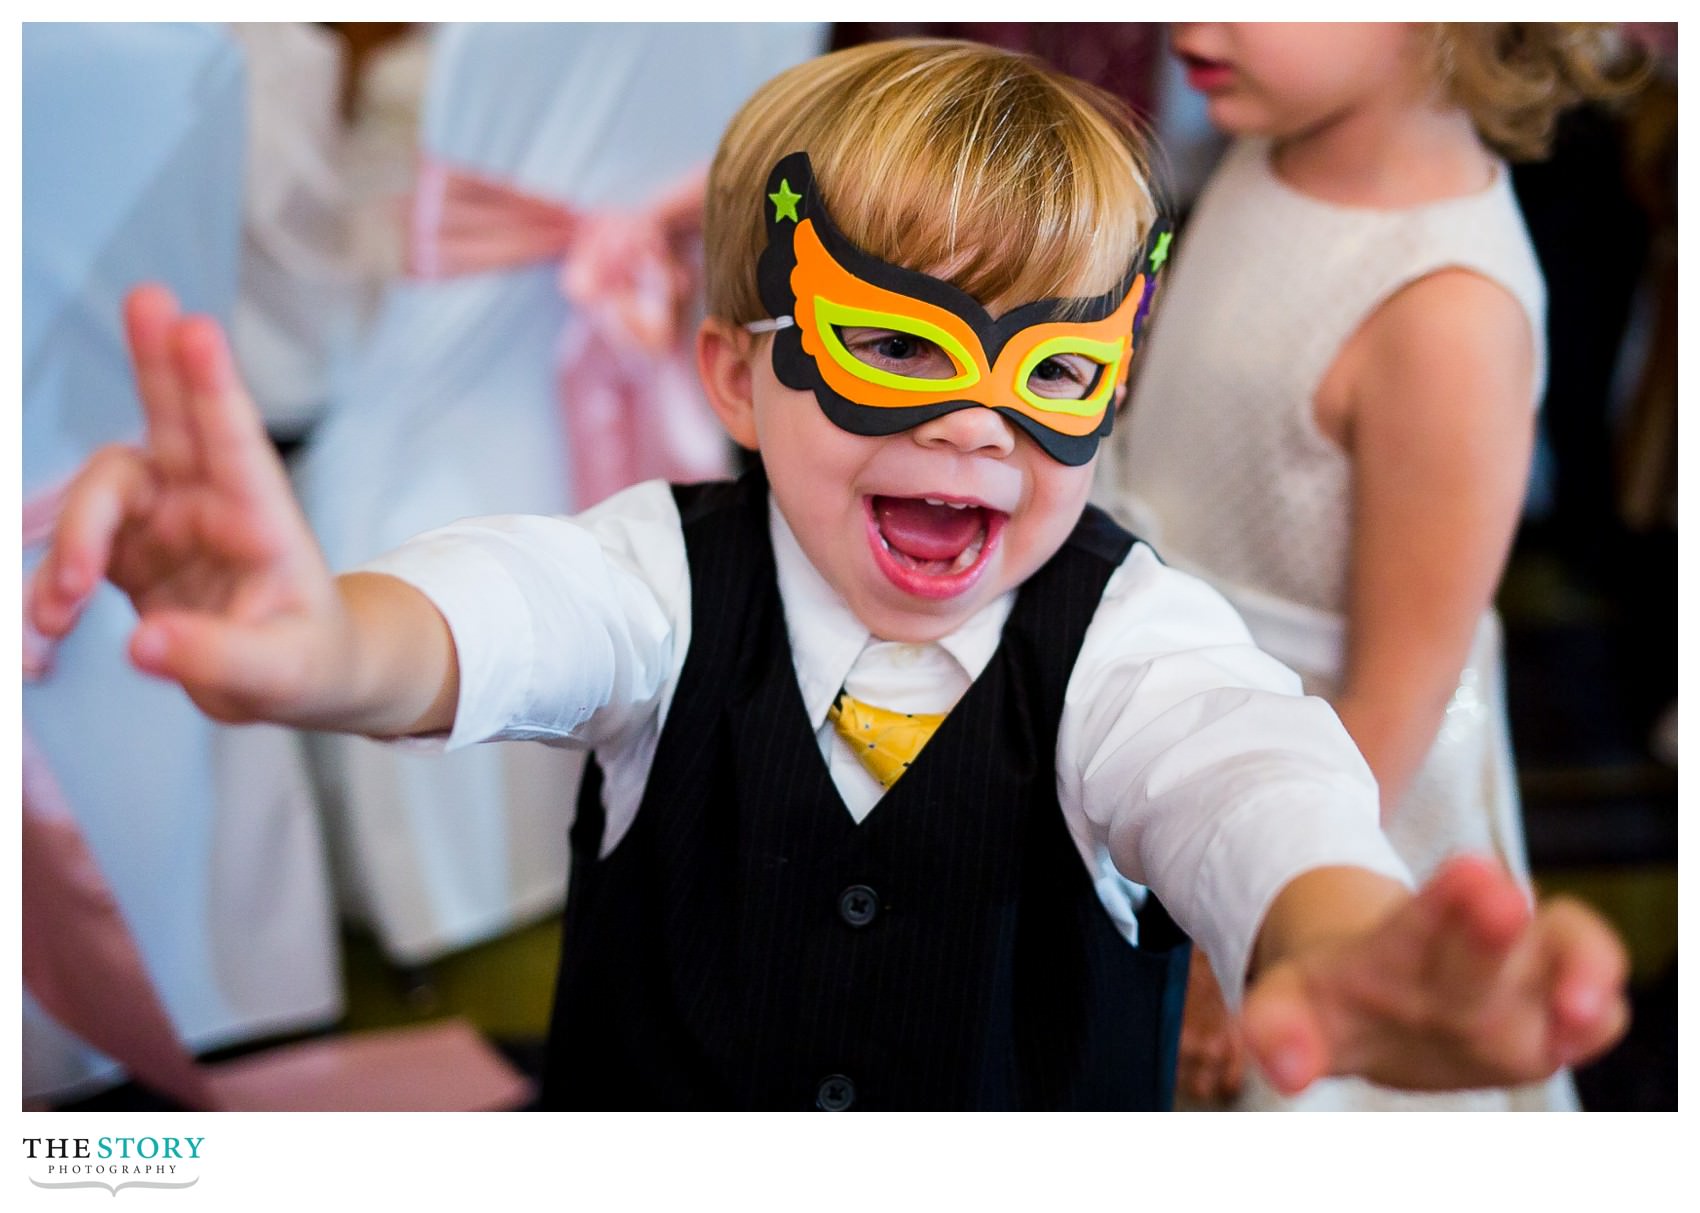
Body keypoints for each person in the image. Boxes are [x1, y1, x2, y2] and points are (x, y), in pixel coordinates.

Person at [28, 38, 1628, 1111]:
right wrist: (320, 636)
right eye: (890, 347)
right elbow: (498, 614)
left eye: (1054, 375)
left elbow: (1245, 779)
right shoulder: (661, 579)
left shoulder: (1131, 643)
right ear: (734, 375)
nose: (976, 421)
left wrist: (1342, 937)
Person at [1095, 22, 1641, 1110]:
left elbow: (1396, 694)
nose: (1189, 27)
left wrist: (1231, 947)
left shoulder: (1447, 309)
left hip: (1333, 799)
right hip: (1174, 725)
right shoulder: (1264, 153)